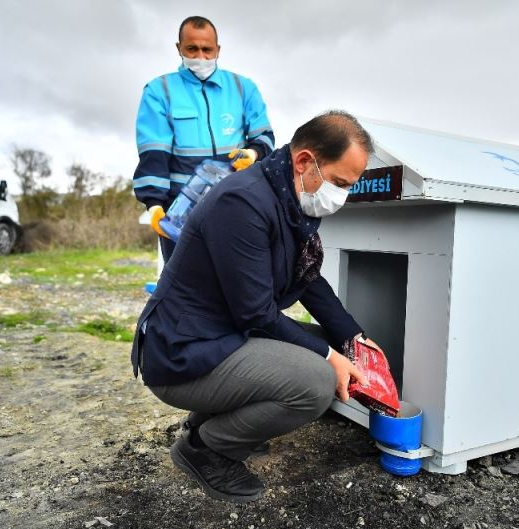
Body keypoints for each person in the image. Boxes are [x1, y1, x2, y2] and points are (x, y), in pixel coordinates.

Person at [130, 111, 384, 502]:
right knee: (315, 382)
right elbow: (256, 314)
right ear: (305, 161)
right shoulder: (242, 203)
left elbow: (307, 279)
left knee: (323, 345)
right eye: (338, 182)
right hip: (182, 352)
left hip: (220, 338)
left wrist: (353, 337)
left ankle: (213, 420)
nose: (341, 196)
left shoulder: (285, 198)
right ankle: (205, 448)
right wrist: (331, 357)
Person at [132, 15, 274, 260]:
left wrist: (252, 154)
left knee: (235, 280)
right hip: (181, 210)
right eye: (192, 49)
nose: (200, 56)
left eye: (207, 49)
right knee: (184, 286)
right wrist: (154, 204)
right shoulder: (159, 91)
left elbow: (265, 137)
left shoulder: (243, 88)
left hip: (235, 204)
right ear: (179, 49)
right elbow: (153, 152)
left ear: (218, 49)